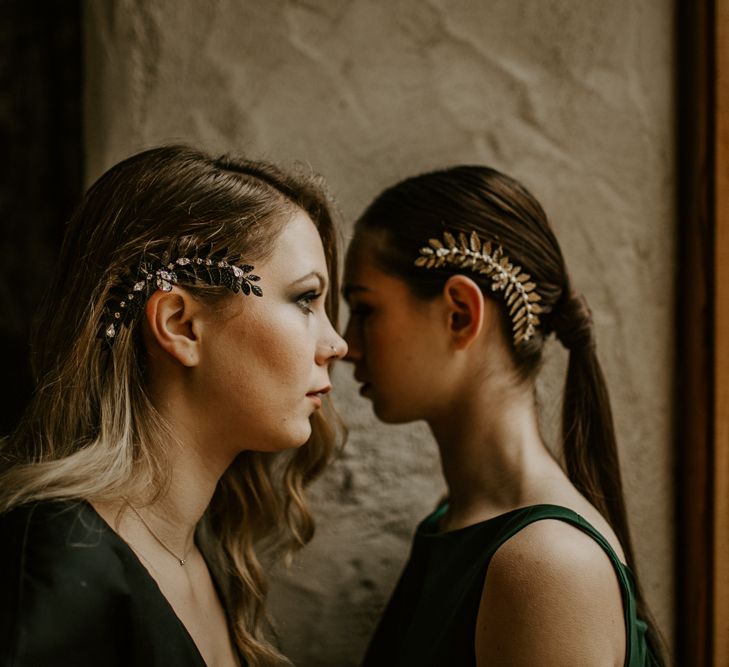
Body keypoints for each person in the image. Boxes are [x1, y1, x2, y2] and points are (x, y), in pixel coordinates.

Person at [0, 145, 348, 667]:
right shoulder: (60, 562)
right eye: (304, 300)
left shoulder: (207, 551)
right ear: (180, 326)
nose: (336, 343)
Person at [343, 166, 665, 666]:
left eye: (364, 310)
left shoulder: (548, 566)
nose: (346, 345)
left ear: (460, 314)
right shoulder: (456, 520)